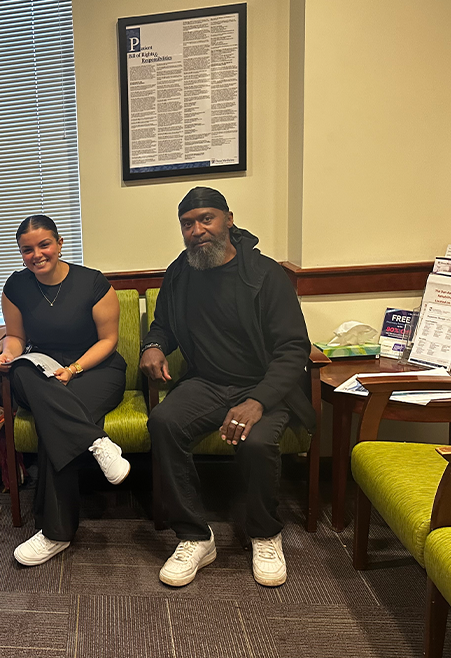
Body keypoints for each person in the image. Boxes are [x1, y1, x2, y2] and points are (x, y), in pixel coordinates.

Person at [142, 187, 314, 588]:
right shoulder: (180, 272)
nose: (197, 230)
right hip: (207, 382)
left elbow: (293, 348)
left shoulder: (265, 274)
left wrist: (258, 400)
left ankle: (265, 533)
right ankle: (195, 537)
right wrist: (153, 346)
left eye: (207, 219)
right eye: (188, 223)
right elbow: (163, 325)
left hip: (264, 386)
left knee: (256, 443)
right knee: (164, 422)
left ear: (229, 220)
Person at [0, 215, 131, 567]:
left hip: (95, 368)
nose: (36, 255)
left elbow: (109, 340)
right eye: (27, 250)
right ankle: (98, 441)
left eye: (44, 245)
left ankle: (55, 533)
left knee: (53, 423)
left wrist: (73, 370)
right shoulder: (15, 288)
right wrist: (9, 353)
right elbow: (16, 338)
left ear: (59, 243)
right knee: (22, 371)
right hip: (42, 370)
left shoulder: (93, 283)